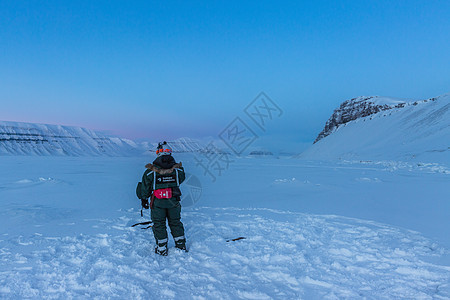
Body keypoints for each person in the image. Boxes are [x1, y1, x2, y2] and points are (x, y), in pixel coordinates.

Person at [139, 141, 187, 256]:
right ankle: (181, 246)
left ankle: (161, 248)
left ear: (158, 153)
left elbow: (145, 187)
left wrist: (144, 198)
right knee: (175, 222)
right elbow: (181, 179)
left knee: (159, 224)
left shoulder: (150, 172)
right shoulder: (178, 171)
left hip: (158, 202)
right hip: (174, 201)